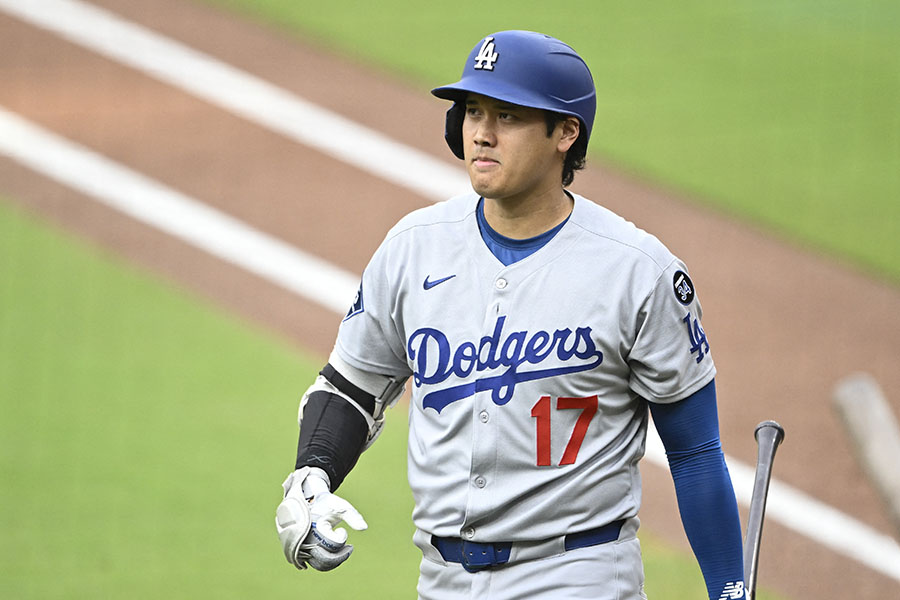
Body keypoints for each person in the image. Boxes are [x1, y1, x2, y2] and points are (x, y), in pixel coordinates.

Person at [276, 30, 747, 600]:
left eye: (507, 115)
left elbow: (694, 452)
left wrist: (729, 589)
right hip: (442, 579)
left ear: (566, 133)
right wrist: (313, 473)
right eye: (473, 111)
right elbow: (353, 386)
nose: (481, 132)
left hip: (578, 576)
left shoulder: (636, 271)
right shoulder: (413, 248)